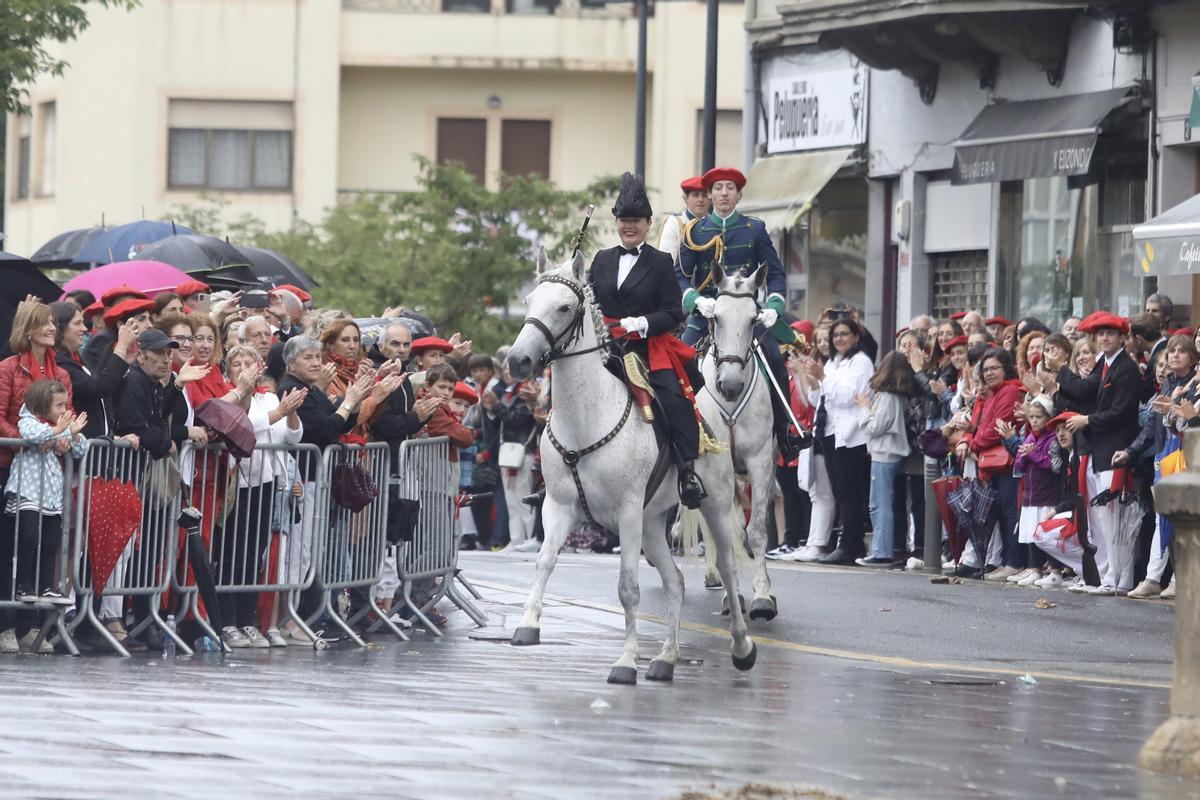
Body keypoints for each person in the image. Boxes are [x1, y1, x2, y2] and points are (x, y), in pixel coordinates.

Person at [589, 171, 707, 508]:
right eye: (624, 220)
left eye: (636, 221)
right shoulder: (601, 260)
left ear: (648, 223)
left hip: (646, 347)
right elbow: (589, 302)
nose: (630, 226)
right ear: (616, 222)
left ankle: (686, 471)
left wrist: (643, 323)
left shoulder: (660, 262)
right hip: (606, 347)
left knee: (673, 398)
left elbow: (673, 313)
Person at [677, 165, 805, 459]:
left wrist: (774, 305)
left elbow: (775, 274)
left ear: (738, 194)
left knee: (773, 358)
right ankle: (677, 432)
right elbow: (680, 275)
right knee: (679, 360)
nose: (724, 194)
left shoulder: (754, 229)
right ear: (709, 194)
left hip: (747, 312)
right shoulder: (694, 231)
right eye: (718, 188)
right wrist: (695, 299)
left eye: (730, 188)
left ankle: (786, 431)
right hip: (707, 312)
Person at [277, 335, 374, 642]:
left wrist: (352, 402)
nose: (317, 362)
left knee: (307, 555)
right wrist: (347, 402)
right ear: (291, 363)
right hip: (302, 479)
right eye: (308, 357)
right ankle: (288, 620)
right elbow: (321, 429)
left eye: (318, 356)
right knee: (297, 554)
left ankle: (295, 618)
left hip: (318, 478)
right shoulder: (291, 389)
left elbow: (340, 424)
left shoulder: (311, 390)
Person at [1046, 313, 1142, 594]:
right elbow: (1083, 391)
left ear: (1122, 337)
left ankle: (1118, 579)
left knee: (1114, 519)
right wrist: (1060, 373)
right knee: (1102, 519)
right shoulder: (1105, 363)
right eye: (1100, 334)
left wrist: (1087, 420)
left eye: (1110, 333)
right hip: (1102, 449)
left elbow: (1121, 411)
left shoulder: (1126, 368)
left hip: (1115, 449)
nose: (1104, 338)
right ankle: (1105, 576)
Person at [218, 345, 305, 650]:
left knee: (255, 554)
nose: (244, 368)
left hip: (266, 480)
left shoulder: (267, 397)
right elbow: (241, 427)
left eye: (249, 363)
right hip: (234, 483)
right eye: (236, 364)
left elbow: (292, 437)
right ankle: (227, 621)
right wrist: (279, 412)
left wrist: (291, 413)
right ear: (228, 370)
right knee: (231, 554)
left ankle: (248, 620)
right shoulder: (228, 396)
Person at [801, 317, 874, 563]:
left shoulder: (861, 362)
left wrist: (823, 379)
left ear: (855, 337)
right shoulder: (832, 363)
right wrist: (813, 383)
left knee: (849, 491)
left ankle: (850, 544)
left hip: (851, 435)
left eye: (844, 334)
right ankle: (848, 542)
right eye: (836, 335)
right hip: (829, 432)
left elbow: (848, 397)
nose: (839, 339)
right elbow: (819, 400)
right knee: (839, 491)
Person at [955, 348, 1025, 580]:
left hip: (1007, 463)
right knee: (1003, 512)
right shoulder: (993, 393)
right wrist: (970, 440)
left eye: (994, 368)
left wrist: (973, 445)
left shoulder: (1010, 390)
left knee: (1009, 512)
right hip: (993, 463)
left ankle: (1013, 562)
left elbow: (996, 428)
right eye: (985, 370)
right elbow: (977, 426)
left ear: (1006, 367)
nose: (989, 373)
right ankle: (1006, 561)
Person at [854, 352, 915, 567]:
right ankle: (884, 548)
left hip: (885, 453)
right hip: (889, 452)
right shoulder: (896, 397)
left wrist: (863, 409)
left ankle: (882, 551)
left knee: (879, 504)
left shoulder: (888, 397)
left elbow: (875, 427)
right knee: (883, 503)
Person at [51, 301, 133, 439]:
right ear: (60, 328)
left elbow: (104, 387)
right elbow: (99, 388)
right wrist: (121, 347)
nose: (84, 329)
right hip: (82, 447)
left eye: (83, 323)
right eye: (77, 323)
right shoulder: (60, 363)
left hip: (97, 446)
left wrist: (124, 360)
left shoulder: (78, 359)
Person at [83, 297, 155, 371]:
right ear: (121, 325)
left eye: (149, 319)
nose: (150, 325)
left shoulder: (143, 342)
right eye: (141, 319)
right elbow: (101, 378)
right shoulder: (103, 340)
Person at [655, 176, 709, 265]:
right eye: (695, 195)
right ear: (685, 198)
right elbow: (667, 262)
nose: (700, 199)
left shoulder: (715, 223)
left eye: (704, 195)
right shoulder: (675, 223)